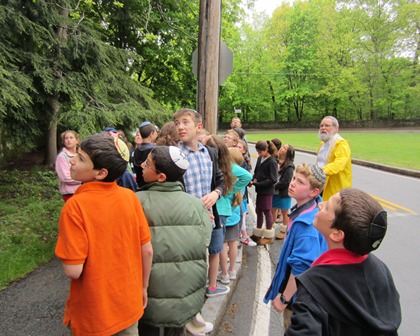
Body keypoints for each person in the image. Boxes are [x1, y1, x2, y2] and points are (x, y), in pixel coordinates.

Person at [55, 133, 153, 336]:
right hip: (129, 304)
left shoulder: (75, 207)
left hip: (95, 315)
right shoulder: (130, 197)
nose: (72, 160)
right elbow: (147, 250)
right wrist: (143, 288)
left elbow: (73, 270)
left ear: (100, 173)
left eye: (81, 158)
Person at [286, 188, 401, 335]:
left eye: (327, 207)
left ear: (337, 234)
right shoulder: (381, 269)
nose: (321, 204)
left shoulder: (315, 285)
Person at [136, 146, 212, 336]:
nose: (141, 166)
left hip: (148, 297)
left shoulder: (135, 202)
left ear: (161, 177)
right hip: (185, 297)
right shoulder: (196, 205)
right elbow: (204, 241)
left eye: (147, 164)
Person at [174, 108, 225, 334]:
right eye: (177, 123)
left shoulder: (209, 153)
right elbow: (171, 193)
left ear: (199, 127)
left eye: (185, 122)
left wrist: (216, 193)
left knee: (199, 271)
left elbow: (221, 180)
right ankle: (189, 321)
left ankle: (194, 318)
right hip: (184, 226)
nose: (180, 127)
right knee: (185, 274)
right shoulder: (174, 155)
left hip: (206, 223)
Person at [264, 163, 327, 331]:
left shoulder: (307, 226)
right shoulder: (311, 208)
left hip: (300, 299)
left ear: (314, 192)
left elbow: (301, 268)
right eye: (293, 179)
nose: (292, 183)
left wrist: (284, 298)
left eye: (300, 182)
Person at [215, 146, 252, 285]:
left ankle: (223, 273)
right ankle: (232, 271)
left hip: (225, 216)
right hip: (236, 216)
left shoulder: (225, 178)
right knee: (233, 244)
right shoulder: (239, 181)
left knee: (223, 245)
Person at [249, 140, 278, 245]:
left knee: (266, 211)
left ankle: (269, 235)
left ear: (266, 149)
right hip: (260, 189)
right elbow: (257, 172)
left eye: (260, 152)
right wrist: (252, 179)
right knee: (258, 210)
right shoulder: (260, 158)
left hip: (267, 190)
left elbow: (273, 179)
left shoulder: (272, 161)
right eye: (257, 152)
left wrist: (258, 183)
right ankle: (258, 232)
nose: (259, 154)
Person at [316, 116, 352, 201]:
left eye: (327, 126)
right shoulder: (322, 144)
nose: (323, 128)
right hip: (322, 186)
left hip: (335, 189)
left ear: (336, 128)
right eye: (321, 126)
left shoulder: (341, 144)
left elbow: (339, 164)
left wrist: (323, 171)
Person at [272, 144, 295, 240]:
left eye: (285, 148)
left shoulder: (289, 166)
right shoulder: (276, 161)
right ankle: (270, 227)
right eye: (282, 147)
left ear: (288, 153)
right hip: (274, 191)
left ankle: (284, 230)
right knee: (272, 209)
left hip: (283, 192)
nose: (282, 148)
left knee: (284, 211)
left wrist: (274, 186)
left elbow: (286, 181)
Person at [55, 130, 82, 202]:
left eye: (71, 137)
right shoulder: (62, 156)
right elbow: (66, 177)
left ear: (77, 141)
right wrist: (83, 179)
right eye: (66, 138)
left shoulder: (80, 155)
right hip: (70, 193)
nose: (68, 140)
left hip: (82, 191)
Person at [133, 121, 158, 188]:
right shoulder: (154, 150)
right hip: (152, 185)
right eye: (156, 132)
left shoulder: (136, 150)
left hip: (140, 185)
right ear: (151, 134)